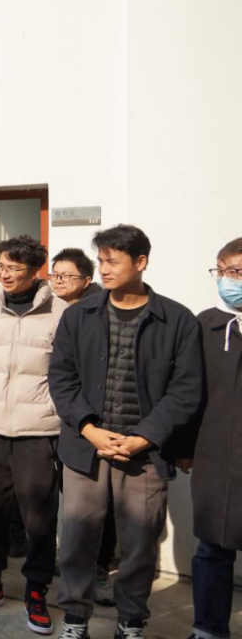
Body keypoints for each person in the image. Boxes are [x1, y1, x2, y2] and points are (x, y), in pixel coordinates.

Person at [49, 225, 203, 639]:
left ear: (141, 262)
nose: (103, 269)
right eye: (100, 261)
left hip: (145, 455)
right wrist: (89, 429)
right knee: (77, 540)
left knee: (139, 545)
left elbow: (186, 390)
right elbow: (61, 378)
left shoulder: (177, 320)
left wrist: (145, 437)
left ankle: (130, 621)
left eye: (112, 261)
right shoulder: (79, 316)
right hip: (86, 450)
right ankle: (75, 620)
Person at [0, 235, 66, 636]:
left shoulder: (60, 312)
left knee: (38, 517)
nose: (3, 274)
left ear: (35, 271)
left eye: (13, 269)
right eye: (0, 266)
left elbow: (65, 371)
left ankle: (36, 590)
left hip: (39, 430)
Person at [49, 247, 115, 606]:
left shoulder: (97, 313)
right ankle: (79, 568)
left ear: (87, 280)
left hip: (98, 426)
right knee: (76, 508)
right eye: (54, 274)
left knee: (104, 508)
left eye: (67, 275)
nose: (58, 281)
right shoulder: (59, 309)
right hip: (68, 422)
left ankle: (99, 569)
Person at [183, 238, 242, 639]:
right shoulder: (205, 325)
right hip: (215, 456)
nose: (226, 279)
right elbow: (187, 393)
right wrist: (184, 447)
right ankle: (208, 629)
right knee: (212, 548)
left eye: (235, 271)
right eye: (221, 271)